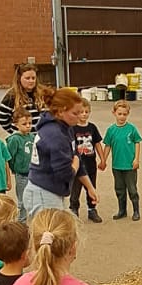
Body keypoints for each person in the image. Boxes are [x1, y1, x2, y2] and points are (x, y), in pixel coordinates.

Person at [24, 86, 97, 218]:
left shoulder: (66, 128)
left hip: (52, 191)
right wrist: (74, 164)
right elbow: (65, 173)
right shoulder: (55, 134)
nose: (80, 117)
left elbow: (76, 158)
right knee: (50, 235)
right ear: (61, 112)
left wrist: (89, 187)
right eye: (75, 113)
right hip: (43, 192)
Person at [103, 100, 142, 221]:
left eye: (124, 114)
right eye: (119, 114)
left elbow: (137, 142)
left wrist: (136, 159)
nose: (122, 116)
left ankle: (136, 211)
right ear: (114, 113)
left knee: (132, 189)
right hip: (117, 165)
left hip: (130, 165)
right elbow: (107, 146)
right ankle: (122, 210)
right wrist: (103, 160)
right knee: (119, 189)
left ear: (128, 114)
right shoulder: (111, 130)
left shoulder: (131, 129)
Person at [69, 100, 105, 224]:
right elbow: (69, 146)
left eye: (86, 112)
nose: (84, 114)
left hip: (91, 165)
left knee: (91, 187)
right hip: (77, 165)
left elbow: (97, 144)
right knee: (75, 189)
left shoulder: (92, 127)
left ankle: (92, 209)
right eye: (81, 112)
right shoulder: (72, 128)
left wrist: (103, 159)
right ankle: (74, 210)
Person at [0, 62, 45, 134]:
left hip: (40, 136)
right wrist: (14, 132)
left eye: (33, 78)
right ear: (19, 78)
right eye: (27, 78)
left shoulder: (42, 93)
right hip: (22, 138)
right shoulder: (11, 96)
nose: (31, 81)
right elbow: (2, 119)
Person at [5, 111, 36, 223]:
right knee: (22, 199)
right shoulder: (14, 139)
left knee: (34, 197)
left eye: (30, 123)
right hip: (22, 174)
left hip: (34, 173)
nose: (28, 126)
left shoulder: (32, 137)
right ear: (16, 124)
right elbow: (9, 157)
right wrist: (14, 169)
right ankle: (22, 221)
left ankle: (33, 219)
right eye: (24, 124)